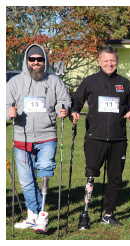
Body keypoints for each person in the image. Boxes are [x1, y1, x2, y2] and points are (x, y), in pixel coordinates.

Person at [70, 46, 130, 229]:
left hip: (118, 139)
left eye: (113, 61)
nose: (110, 64)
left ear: (116, 62)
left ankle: (108, 213)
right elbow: (77, 100)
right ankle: (85, 213)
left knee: (115, 179)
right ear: (99, 61)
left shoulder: (124, 83)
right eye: (106, 61)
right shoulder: (90, 81)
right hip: (95, 137)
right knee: (91, 175)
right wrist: (75, 111)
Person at [6, 44, 70, 234]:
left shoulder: (54, 81)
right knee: (26, 180)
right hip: (21, 138)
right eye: (32, 59)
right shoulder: (15, 82)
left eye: (39, 59)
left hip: (47, 136)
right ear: (27, 61)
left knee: (44, 172)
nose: (36, 62)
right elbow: (5, 104)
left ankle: (42, 215)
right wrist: (8, 112)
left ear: (45, 61)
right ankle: (32, 214)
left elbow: (64, 99)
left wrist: (63, 108)